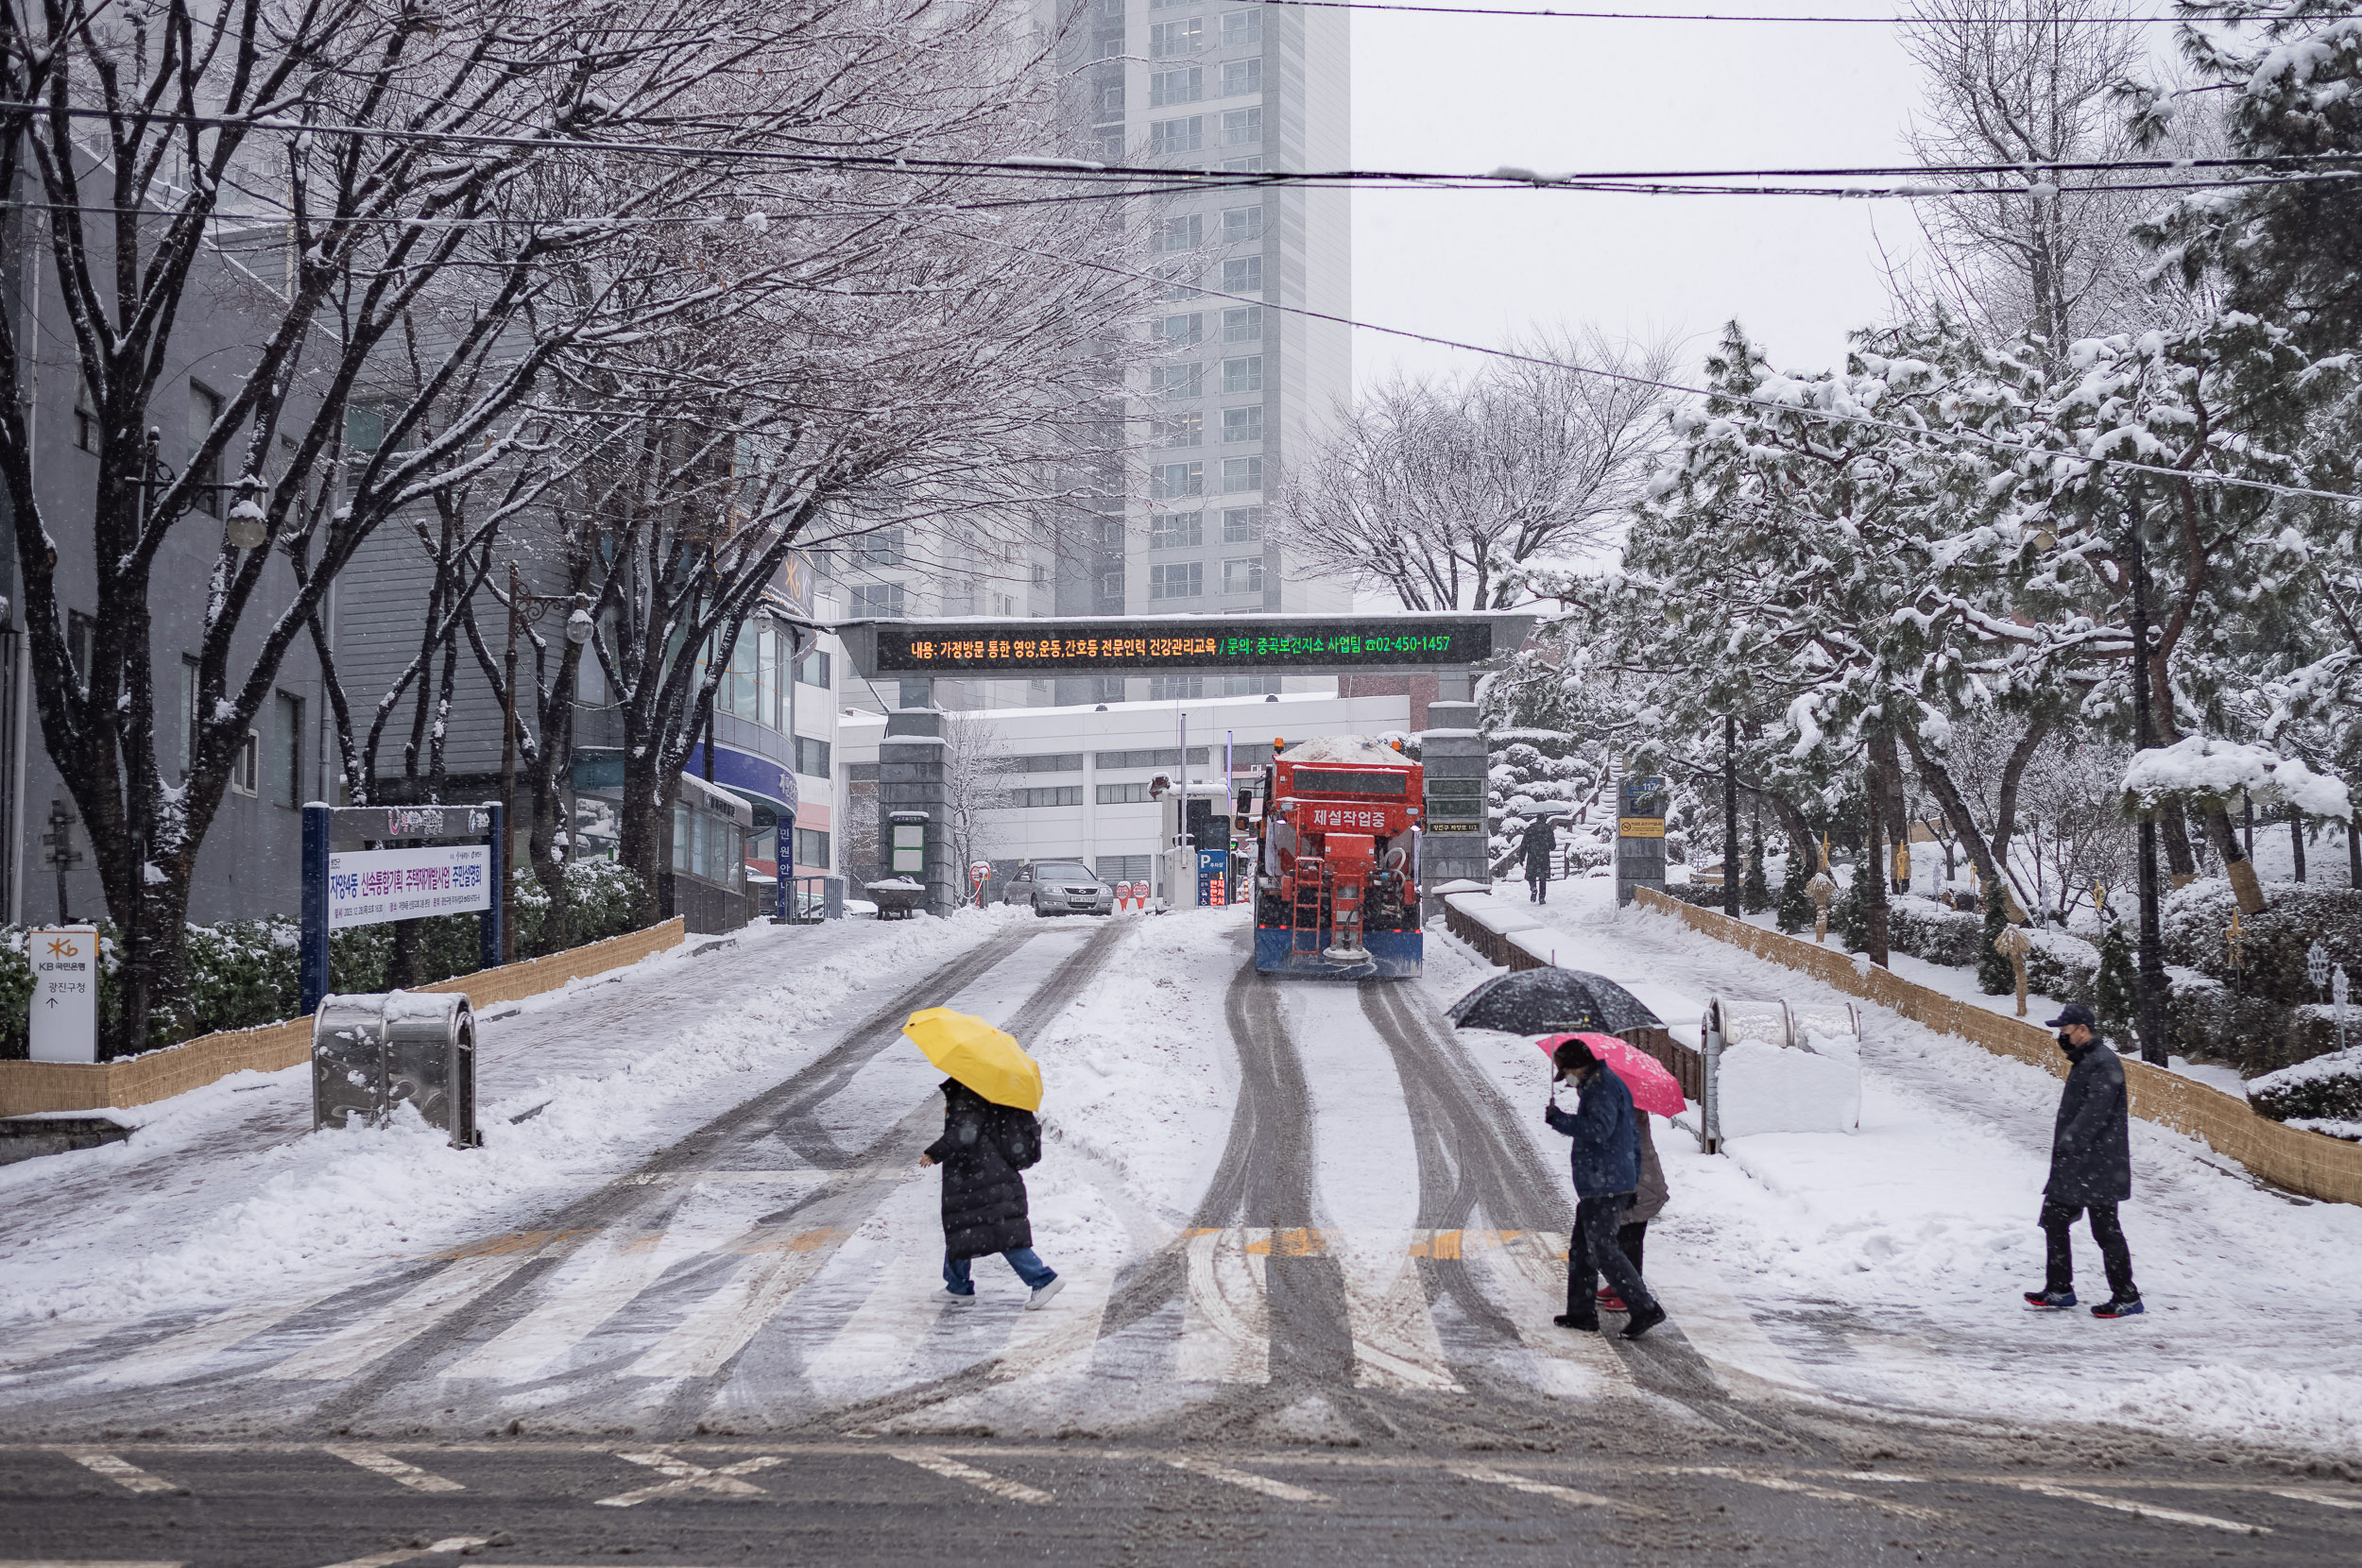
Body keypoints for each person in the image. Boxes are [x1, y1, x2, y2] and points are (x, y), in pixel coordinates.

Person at [1544, 1038, 1667, 1339]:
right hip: (1606, 1180)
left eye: (1566, 1073)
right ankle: (1582, 1313)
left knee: (1602, 1249)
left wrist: (1559, 1120)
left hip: (1605, 1182)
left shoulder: (1600, 1088)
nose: (1567, 1081)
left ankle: (1644, 1306)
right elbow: (1630, 1138)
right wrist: (1632, 1177)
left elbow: (1598, 1131)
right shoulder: (1601, 1084)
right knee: (1583, 1250)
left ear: (1578, 1066)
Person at [2024, 1003, 2140, 1319]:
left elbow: (2095, 1111)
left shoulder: (2104, 1063)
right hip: (2078, 1164)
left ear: (2082, 1030)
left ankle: (2127, 1296)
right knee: (2054, 1220)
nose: (2061, 1036)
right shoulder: (2088, 1059)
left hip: (2098, 1165)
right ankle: (2059, 1288)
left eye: (2065, 1030)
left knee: (2105, 1230)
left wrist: (2070, 1141)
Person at [920, 1078, 1065, 1309]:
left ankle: (1043, 1279)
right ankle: (958, 1286)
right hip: (983, 1173)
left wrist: (934, 1153)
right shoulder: (984, 1088)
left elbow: (966, 1131)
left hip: (982, 1176)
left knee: (1003, 1234)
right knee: (962, 1228)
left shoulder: (970, 1090)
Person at [1595, 1109, 1667, 1314]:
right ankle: (1620, 1284)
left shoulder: (1625, 1103)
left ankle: (1632, 1292)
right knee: (1618, 1235)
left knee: (1629, 1239)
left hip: (1637, 1183)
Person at [1520, 813, 1559, 904]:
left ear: (1537, 819)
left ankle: (1533, 888)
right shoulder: (1548, 829)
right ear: (1545, 820)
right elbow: (1553, 846)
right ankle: (1542, 898)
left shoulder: (1530, 829)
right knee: (1543, 877)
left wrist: (1521, 858)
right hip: (1544, 856)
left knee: (1531, 875)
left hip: (1532, 856)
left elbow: (1524, 845)